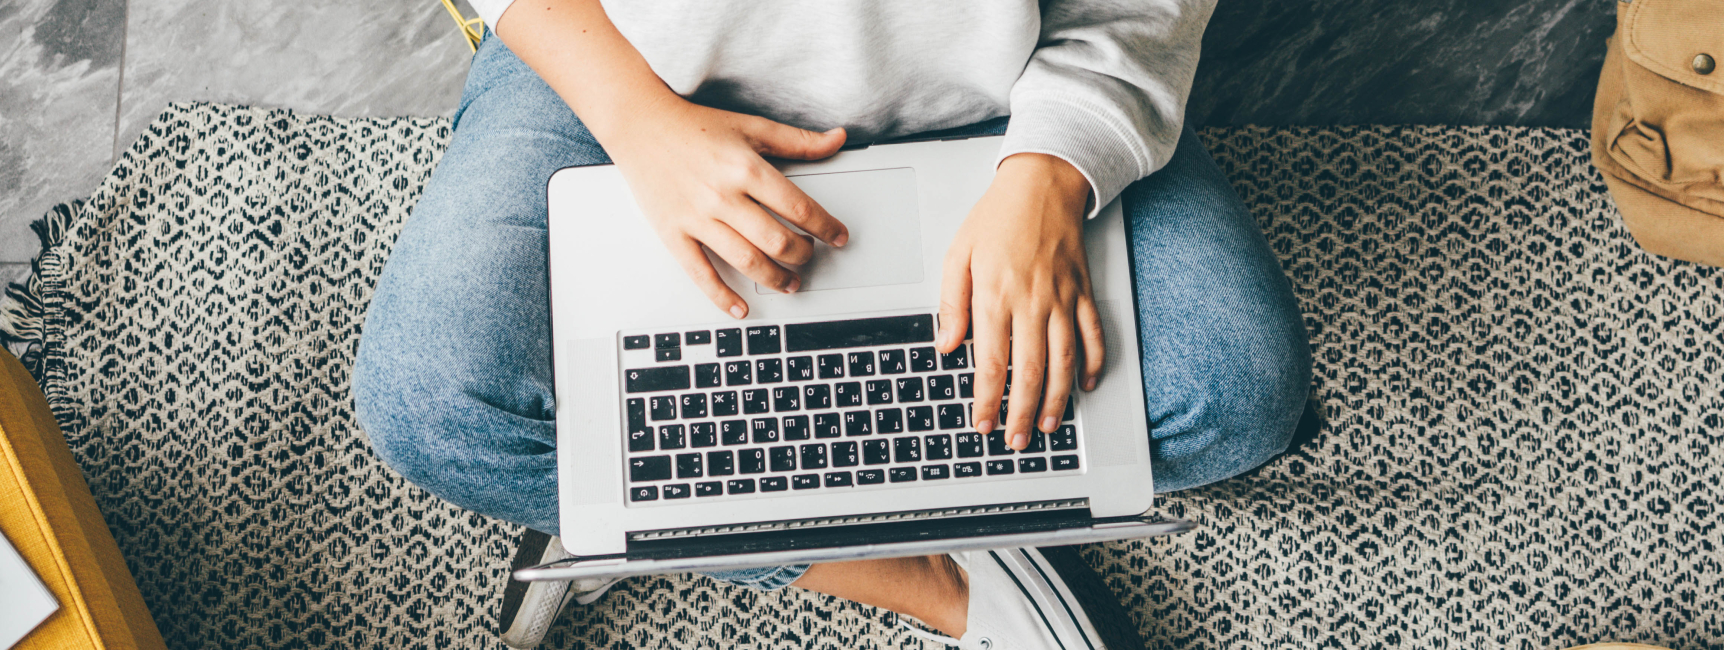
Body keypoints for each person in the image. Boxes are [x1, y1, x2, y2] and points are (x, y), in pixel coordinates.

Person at [351, 1, 1314, 647]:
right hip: (623, 70)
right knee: (437, 404)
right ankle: (934, 571)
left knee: (1234, 392)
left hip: (1005, 91)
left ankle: (683, 516)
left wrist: (1054, 173)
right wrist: (633, 116)